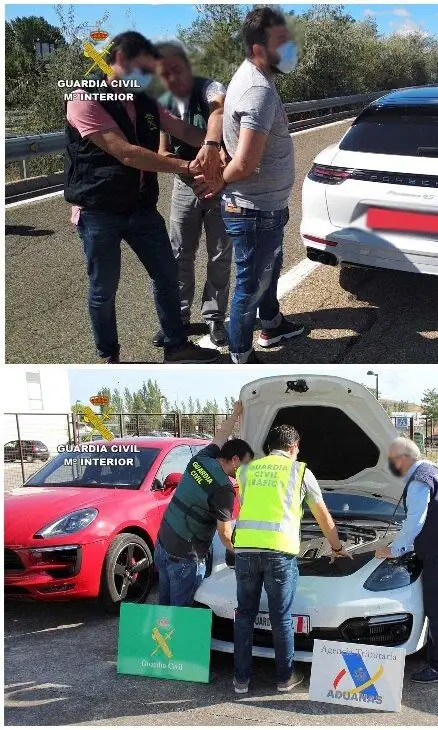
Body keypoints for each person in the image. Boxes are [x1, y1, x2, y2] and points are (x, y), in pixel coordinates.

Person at [64, 31, 223, 364]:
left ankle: (176, 346)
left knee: (167, 274)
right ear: (121, 61)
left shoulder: (144, 98)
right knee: (104, 289)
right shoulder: (84, 97)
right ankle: (109, 355)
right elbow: (128, 154)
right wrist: (191, 165)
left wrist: (215, 146)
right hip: (99, 211)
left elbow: (184, 130)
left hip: (141, 207)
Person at [231, 425, 351, 694]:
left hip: (246, 551)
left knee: (245, 616)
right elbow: (321, 515)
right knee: (281, 618)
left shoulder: (247, 470)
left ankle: (241, 680)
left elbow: (250, 505)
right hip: (280, 553)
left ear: (269, 446)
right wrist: (337, 547)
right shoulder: (300, 472)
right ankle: (285, 678)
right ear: (294, 446)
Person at [220, 7, 305, 364]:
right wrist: (214, 182)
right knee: (249, 286)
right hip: (253, 209)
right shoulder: (258, 91)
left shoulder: (257, 79)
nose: (289, 50)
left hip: (266, 205)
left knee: (267, 270)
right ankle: (240, 354)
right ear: (259, 47)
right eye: (281, 42)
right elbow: (244, 163)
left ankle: (270, 323)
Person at [154, 41, 232, 349]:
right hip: (185, 185)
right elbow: (161, 152)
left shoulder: (209, 88)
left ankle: (214, 318)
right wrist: (192, 167)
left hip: (220, 184)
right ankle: (180, 317)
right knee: (179, 254)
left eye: (177, 68)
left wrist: (212, 153)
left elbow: (220, 108)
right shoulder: (163, 102)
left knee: (219, 254)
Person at [375, 437, 438, 684]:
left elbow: (416, 521)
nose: (391, 465)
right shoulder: (433, 470)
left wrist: (394, 549)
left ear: (404, 459)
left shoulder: (419, 481)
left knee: (437, 607)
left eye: (392, 460)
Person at [154, 401, 253, 606]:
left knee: (163, 610)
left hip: (162, 545)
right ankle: (179, 640)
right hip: (185, 555)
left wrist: (235, 414)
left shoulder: (202, 459)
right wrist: (241, 555)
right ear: (234, 460)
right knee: (182, 616)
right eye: (245, 465)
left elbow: (220, 436)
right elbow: (225, 534)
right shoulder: (224, 489)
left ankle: (161, 639)